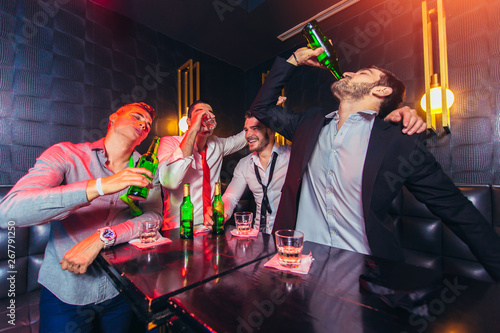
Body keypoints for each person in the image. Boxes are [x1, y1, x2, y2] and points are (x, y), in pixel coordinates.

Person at [249, 46, 500, 281]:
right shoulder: (309, 123)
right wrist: (294, 61)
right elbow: (261, 108)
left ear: (382, 91)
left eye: (363, 73)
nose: (347, 73)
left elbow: (459, 212)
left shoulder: (399, 142)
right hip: (300, 267)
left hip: (366, 276)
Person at [0, 102, 163, 332]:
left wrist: (103, 237)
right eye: (137, 116)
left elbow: (154, 217)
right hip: (66, 292)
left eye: (147, 125)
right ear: (113, 118)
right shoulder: (67, 154)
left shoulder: (148, 168)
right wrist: (100, 185)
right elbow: (9, 211)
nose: (143, 124)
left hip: (120, 288)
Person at [157, 100, 247, 231]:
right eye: (200, 112)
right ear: (188, 121)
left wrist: (266, 110)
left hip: (209, 227)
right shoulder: (169, 142)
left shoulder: (217, 144)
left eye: (210, 113)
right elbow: (170, 181)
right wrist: (194, 129)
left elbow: (244, 137)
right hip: (177, 229)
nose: (206, 115)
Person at [204, 110, 290, 234]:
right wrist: (222, 212)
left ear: (271, 130)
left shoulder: (291, 157)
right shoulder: (244, 164)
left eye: (255, 128)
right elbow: (231, 197)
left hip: (286, 239)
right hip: (257, 237)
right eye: (246, 130)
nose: (248, 135)